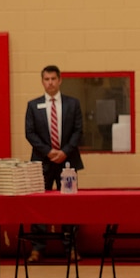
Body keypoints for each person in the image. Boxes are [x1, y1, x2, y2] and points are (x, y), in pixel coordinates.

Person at [24, 65, 84, 262]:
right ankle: (37, 248)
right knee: (38, 205)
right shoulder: (33, 105)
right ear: (42, 82)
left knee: (70, 205)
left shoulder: (72, 104)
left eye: (53, 79)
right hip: (42, 161)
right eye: (46, 79)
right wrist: (48, 152)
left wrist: (64, 152)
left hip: (68, 161)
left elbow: (78, 131)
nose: (50, 82)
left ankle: (71, 248)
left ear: (60, 80)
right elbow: (30, 133)